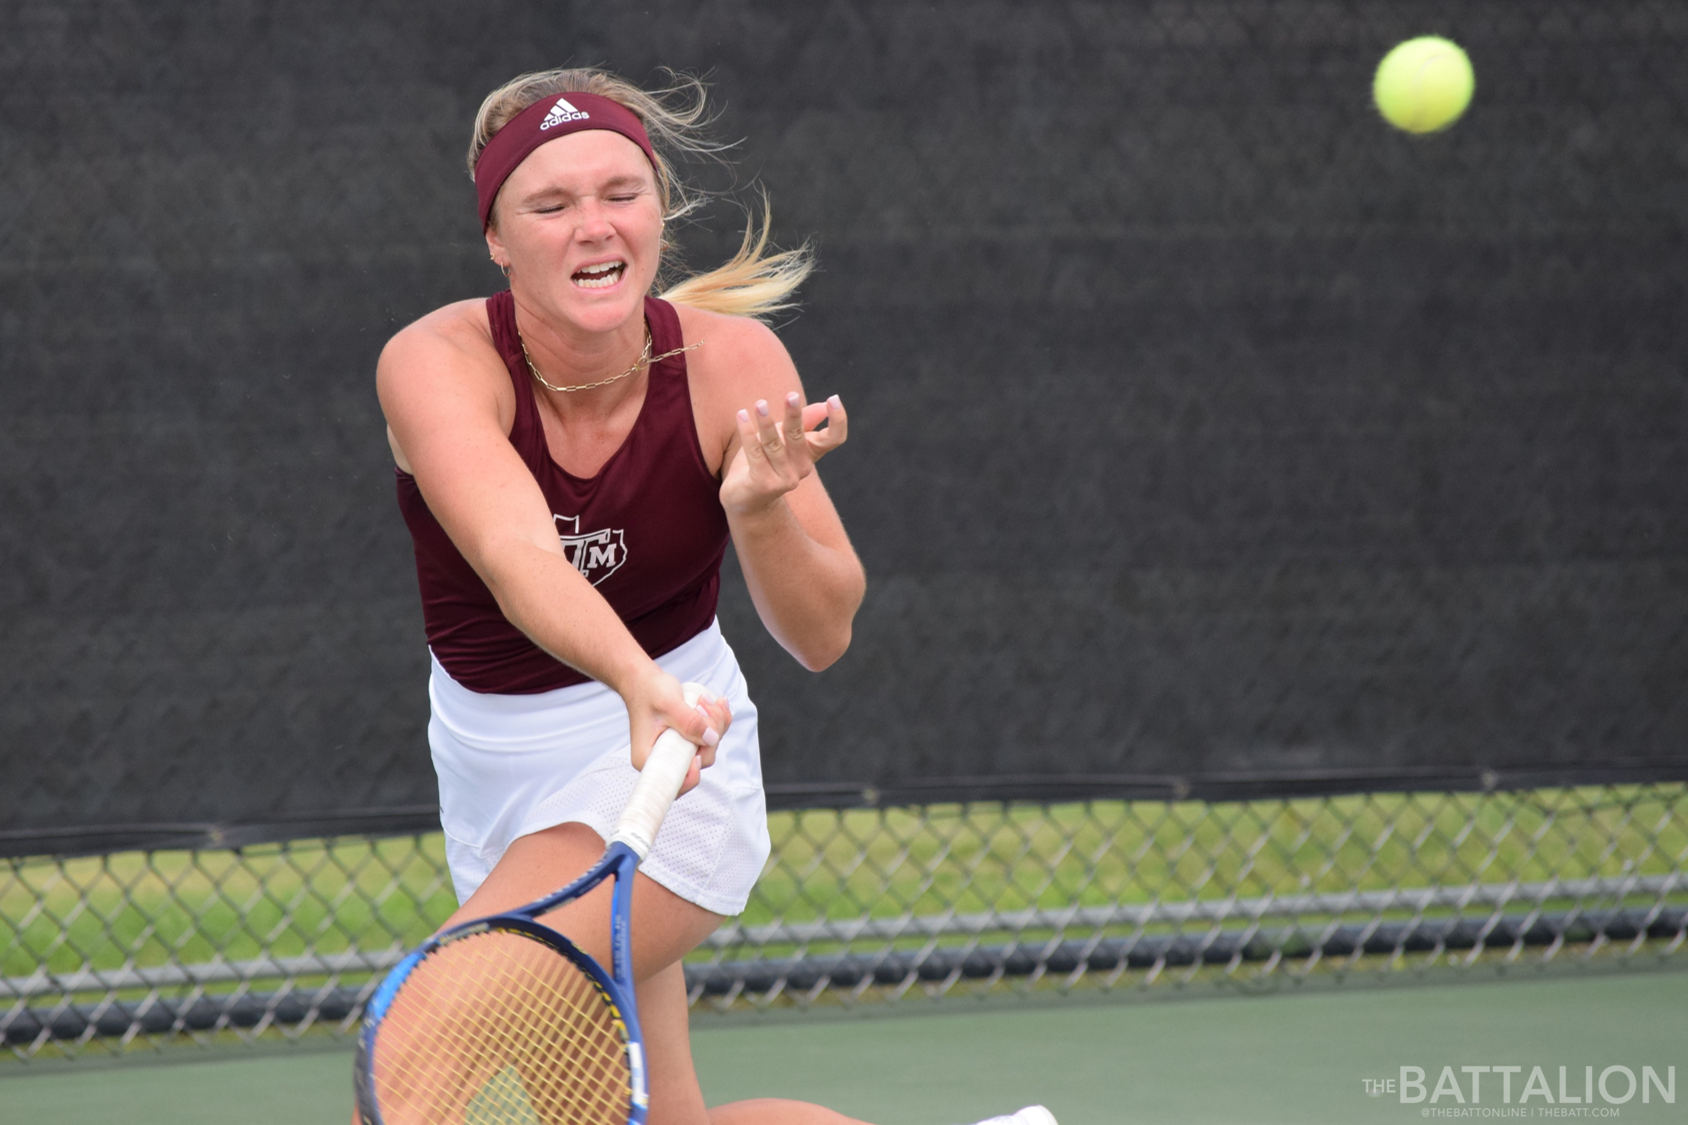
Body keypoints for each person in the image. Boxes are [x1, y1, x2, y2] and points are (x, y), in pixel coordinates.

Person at [379, 65, 1055, 1125]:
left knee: (427, 1032)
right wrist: (627, 677)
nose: (591, 226)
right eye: (549, 206)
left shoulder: (732, 362)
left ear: (658, 210)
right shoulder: (435, 362)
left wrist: (756, 511)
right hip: (499, 779)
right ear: (497, 240)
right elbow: (518, 559)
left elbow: (822, 631)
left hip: (676, 768)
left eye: (619, 193)